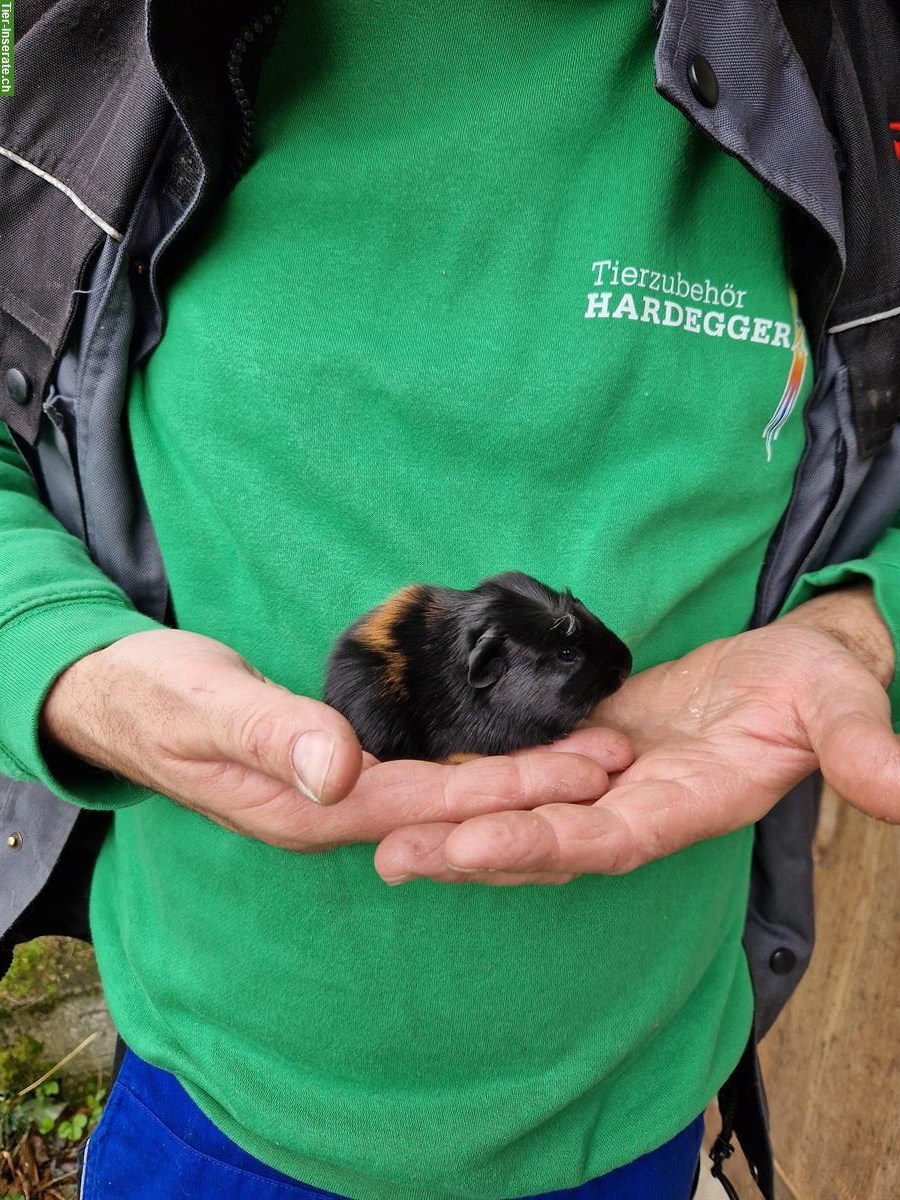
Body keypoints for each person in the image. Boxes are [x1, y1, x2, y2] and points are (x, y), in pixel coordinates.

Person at [1, 2, 898, 1198]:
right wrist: (65, 665)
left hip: (628, 1100)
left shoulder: (851, 51)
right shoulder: (116, 53)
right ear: (475, 680)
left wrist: (862, 614)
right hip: (217, 1103)